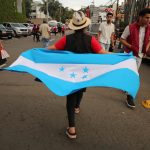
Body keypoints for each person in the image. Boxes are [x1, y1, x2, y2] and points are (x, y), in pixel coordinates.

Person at [47, 11, 109, 139]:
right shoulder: (91, 40)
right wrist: (120, 57)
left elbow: (53, 48)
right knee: (80, 91)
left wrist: (41, 51)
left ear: (73, 26)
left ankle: (72, 128)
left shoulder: (66, 39)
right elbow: (103, 53)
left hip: (69, 75)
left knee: (70, 98)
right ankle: (76, 108)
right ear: (85, 26)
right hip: (84, 75)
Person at [120, 8, 150, 108]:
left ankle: (126, 87)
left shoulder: (149, 28)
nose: (148, 20)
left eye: (149, 18)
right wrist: (130, 46)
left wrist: (146, 48)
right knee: (133, 75)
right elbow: (122, 39)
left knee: (132, 74)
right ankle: (130, 96)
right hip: (129, 55)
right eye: (147, 17)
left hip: (140, 55)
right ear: (140, 17)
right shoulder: (130, 27)